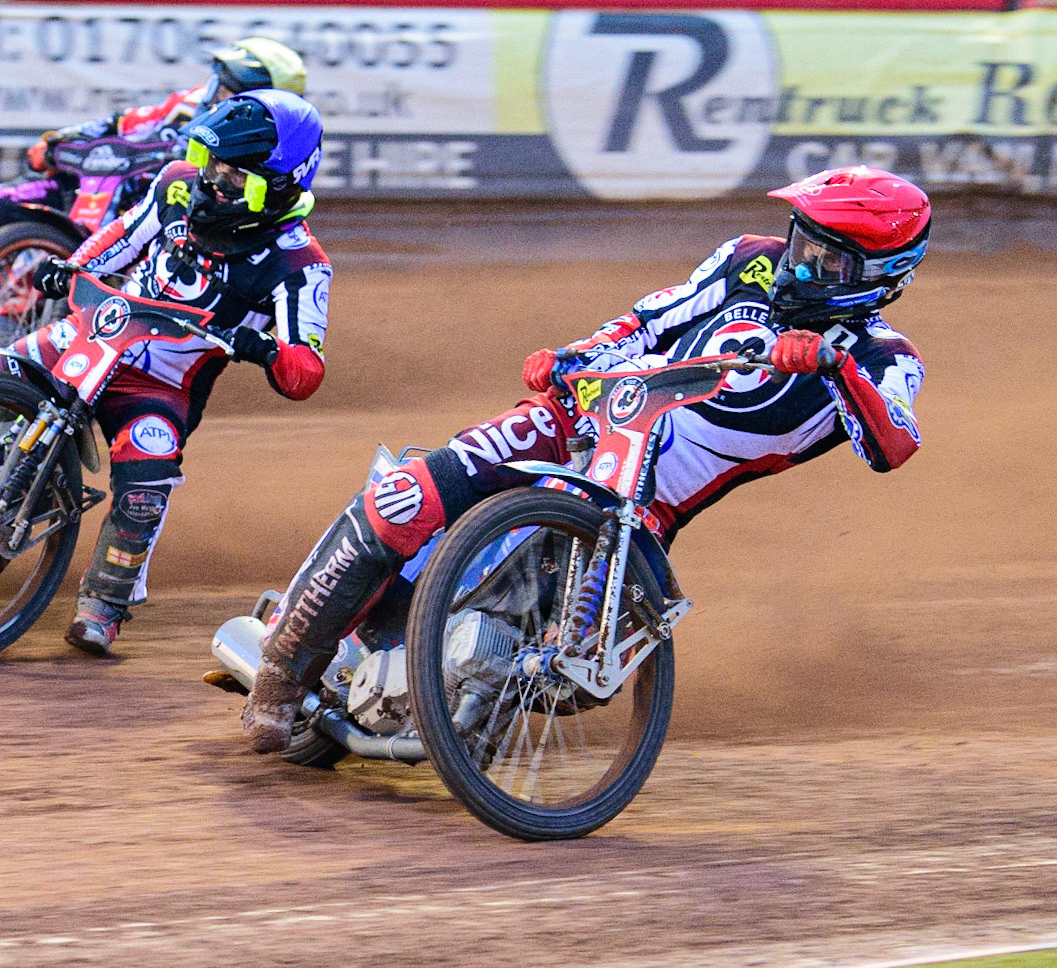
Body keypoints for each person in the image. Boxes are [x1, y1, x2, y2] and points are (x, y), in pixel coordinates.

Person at [240, 165, 931, 752]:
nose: (800, 264)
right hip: (577, 418)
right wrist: (575, 357)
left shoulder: (886, 359)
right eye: (802, 241)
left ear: (881, 275)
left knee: (574, 678)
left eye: (827, 260)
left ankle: (463, 721)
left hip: (645, 508)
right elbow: (649, 321)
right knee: (405, 498)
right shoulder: (748, 258)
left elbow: (892, 445)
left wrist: (835, 365)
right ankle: (280, 675)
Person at [0, 89, 334, 658]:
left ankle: (104, 604)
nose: (213, 182)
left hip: (162, 385)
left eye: (234, 176)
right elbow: (123, 236)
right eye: (210, 162)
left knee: (147, 470)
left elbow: (307, 371)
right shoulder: (176, 183)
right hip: (94, 331)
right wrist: (74, 267)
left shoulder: (301, 265)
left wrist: (264, 348)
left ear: (281, 184)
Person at [0, 38, 308, 395]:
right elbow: (116, 124)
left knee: (10, 306)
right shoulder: (185, 104)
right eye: (221, 79)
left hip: (135, 237)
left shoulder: (266, 160)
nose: (220, 92)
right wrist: (60, 140)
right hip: (72, 194)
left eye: (237, 87)